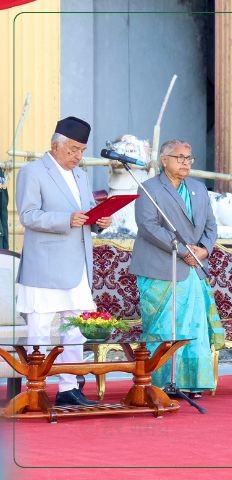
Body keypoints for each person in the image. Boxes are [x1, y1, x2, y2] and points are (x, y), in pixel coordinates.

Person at [15, 116, 112, 406]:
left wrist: (98, 220)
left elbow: (84, 213)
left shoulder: (80, 175)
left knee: (76, 329)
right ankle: (36, 387)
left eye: (82, 150)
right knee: (41, 328)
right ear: (55, 145)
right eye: (72, 149)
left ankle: (70, 386)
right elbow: (28, 215)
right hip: (45, 264)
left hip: (77, 264)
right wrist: (65, 220)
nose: (77, 156)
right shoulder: (33, 172)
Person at [130, 139, 225, 397]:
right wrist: (184, 251)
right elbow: (149, 227)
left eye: (189, 158)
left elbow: (210, 226)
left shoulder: (198, 188)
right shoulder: (149, 189)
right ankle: (160, 382)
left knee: (194, 327)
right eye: (179, 157)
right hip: (161, 268)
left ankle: (192, 382)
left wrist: (204, 248)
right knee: (164, 328)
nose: (185, 162)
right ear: (164, 159)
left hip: (193, 267)